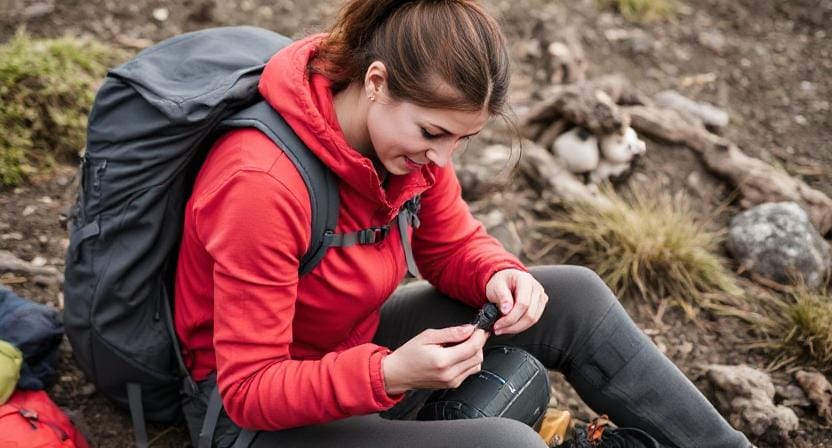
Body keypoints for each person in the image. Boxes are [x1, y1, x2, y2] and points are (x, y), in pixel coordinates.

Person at [173, 1, 752, 447]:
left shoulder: (404, 147)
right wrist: (390, 373)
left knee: (573, 296)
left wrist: (500, 273)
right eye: (433, 134)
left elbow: (450, 244)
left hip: (349, 343)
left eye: (463, 139)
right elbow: (249, 389)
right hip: (255, 420)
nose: (444, 160)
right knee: (507, 443)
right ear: (375, 82)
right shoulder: (261, 185)